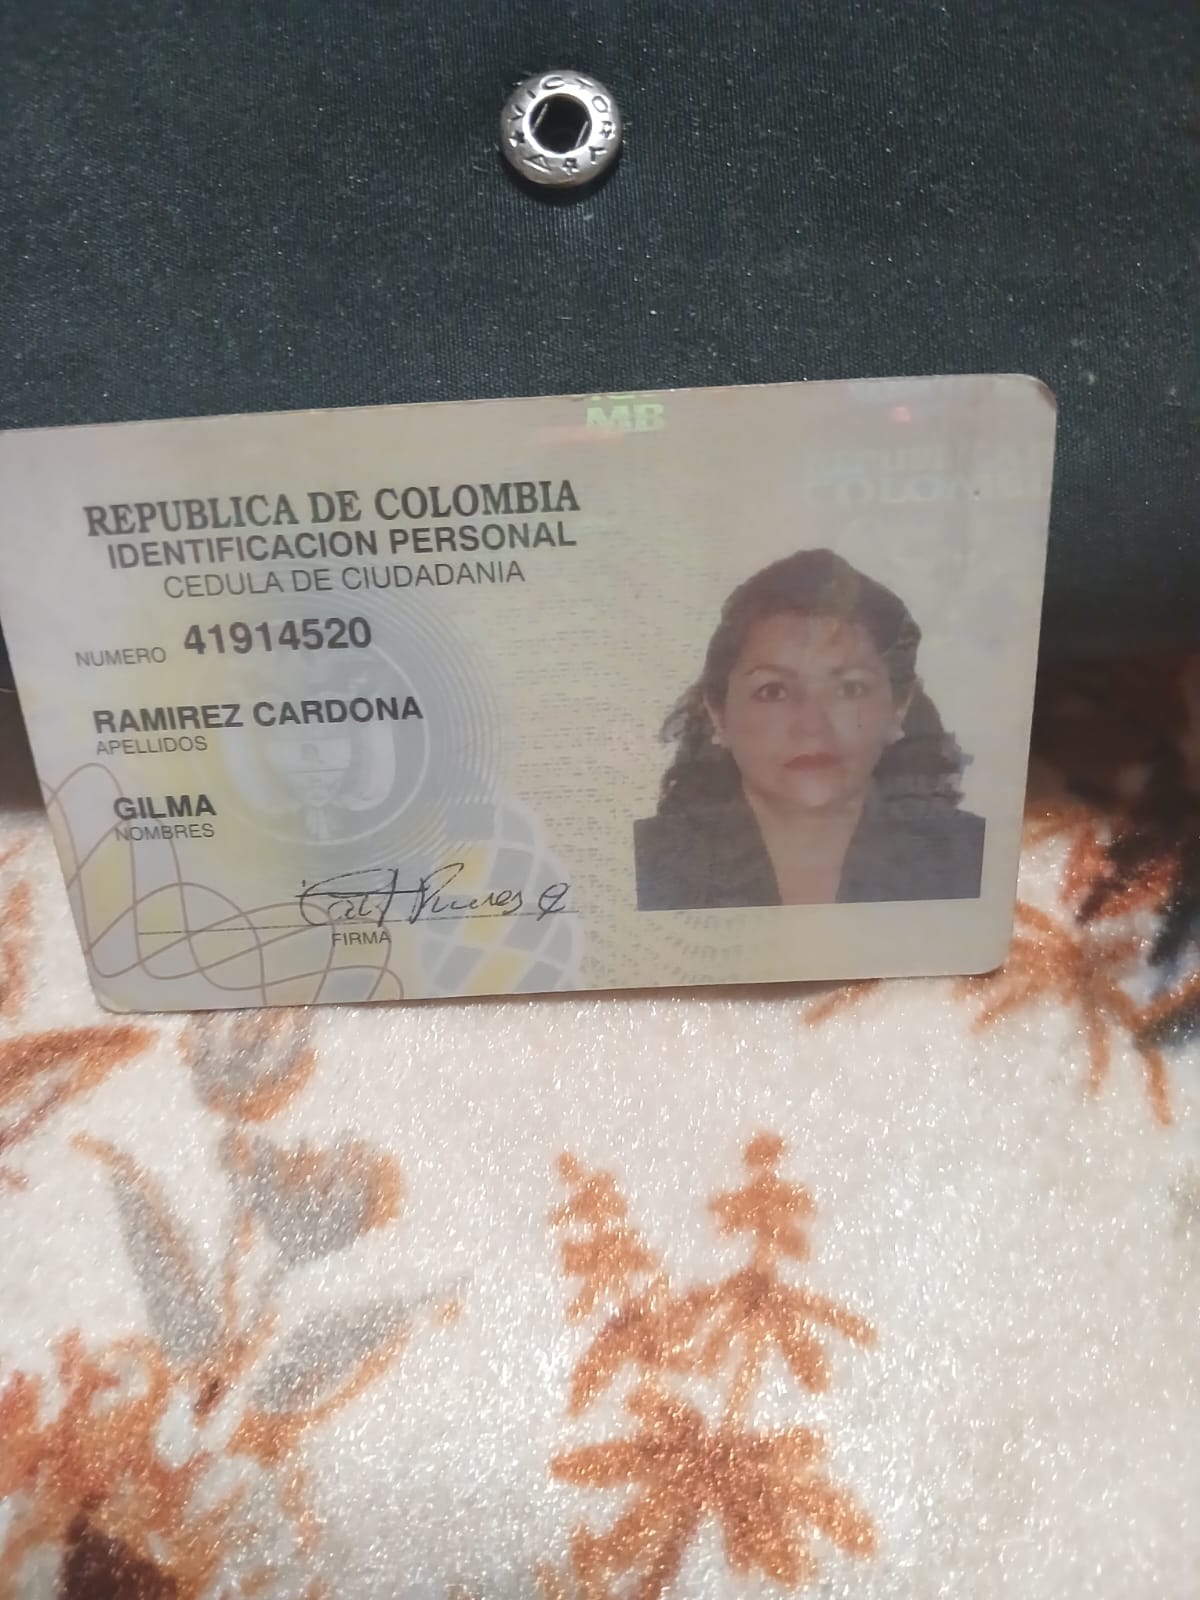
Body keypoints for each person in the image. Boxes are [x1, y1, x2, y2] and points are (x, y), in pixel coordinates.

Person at [633, 548, 985, 910]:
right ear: (718, 716)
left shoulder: (976, 860)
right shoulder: (642, 866)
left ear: (898, 709)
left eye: (850, 688)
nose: (812, 727)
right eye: (773, 691)